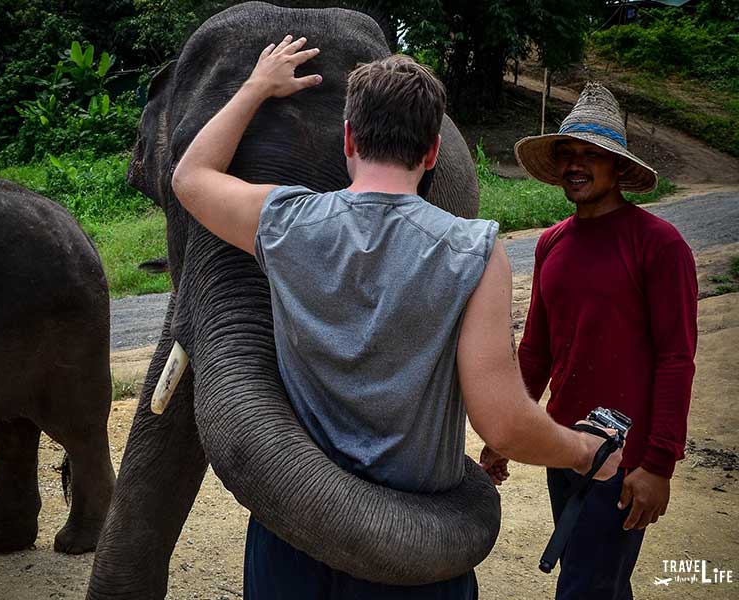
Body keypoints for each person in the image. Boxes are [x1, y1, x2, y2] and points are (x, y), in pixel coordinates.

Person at [172, 37, 622, 599]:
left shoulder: (287, 223)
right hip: (412, 556)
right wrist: (588, 450)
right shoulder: (473, 251)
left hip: (293, 536)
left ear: (348, 139)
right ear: (434, 152)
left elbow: (189, 178)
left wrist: (257, 85)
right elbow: (502, 425)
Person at [511, 83, 698, 599]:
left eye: (593, 155)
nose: (577, 164)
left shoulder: (659, 246)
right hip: (564, 447)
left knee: (584, 587)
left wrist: (657, 464)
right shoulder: (551, 243)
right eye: (569, 153)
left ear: (618, 168)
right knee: (600, 583)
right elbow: (537, 352)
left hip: (625, 460)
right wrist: (508, 434)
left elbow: (676, 360)